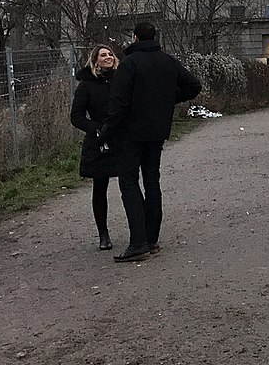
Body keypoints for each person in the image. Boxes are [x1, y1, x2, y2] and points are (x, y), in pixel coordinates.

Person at [100, 22, 202, 263]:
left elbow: (119, 104)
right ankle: (152, 239)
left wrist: (105, 133)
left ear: (135, 38)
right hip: (157, 131)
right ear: (154, 37)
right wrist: (167, 99)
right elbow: (193, 85)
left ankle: (138, 242)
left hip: (130, 133)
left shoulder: (129, 64)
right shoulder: (168, 61)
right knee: (152, 181)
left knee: (129, 184)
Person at [70, 44, 120, 251]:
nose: (108, 57)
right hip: (100, 142)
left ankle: (139, 229)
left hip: (122, 138)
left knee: (130, 183)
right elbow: (76, 117)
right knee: (100, 187)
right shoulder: (87, 86)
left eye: (110, 54)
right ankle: (103, 234)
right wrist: (96, 129)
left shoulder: (122, 80)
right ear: (95, 60)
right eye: (103, 55)